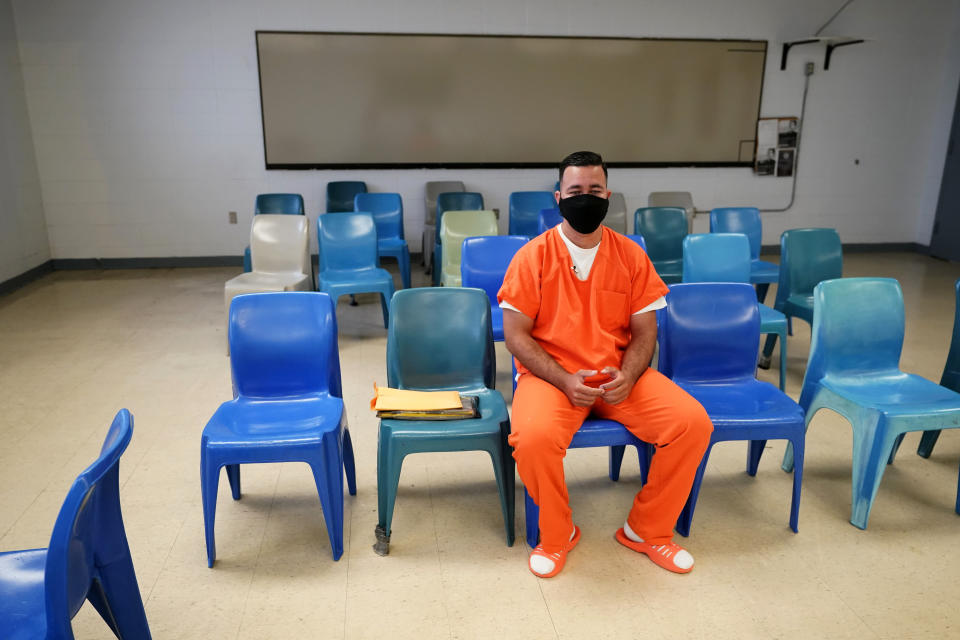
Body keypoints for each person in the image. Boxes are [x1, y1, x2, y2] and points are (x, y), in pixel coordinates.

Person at [498, 150, 713, 578]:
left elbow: (645, 331)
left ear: (608, 195)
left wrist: (629, 374)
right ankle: (558, 535)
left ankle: (647, 530)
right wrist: (562, 377)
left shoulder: (631, 256)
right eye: (575, 191)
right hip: (554, 379)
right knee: (533, 438)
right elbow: (516, 335)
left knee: (692, 423)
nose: (585, 198)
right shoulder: (532, 258)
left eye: (594, 190)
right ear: (559, 197)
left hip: (618, 377)